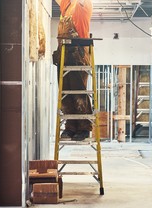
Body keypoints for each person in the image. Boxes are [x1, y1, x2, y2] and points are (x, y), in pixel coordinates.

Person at [53, 0, 93, 141]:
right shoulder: (66, 5)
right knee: (65, 93)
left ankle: (84, 127)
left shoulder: (82, 5)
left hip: (78, 53)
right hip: (63, 53)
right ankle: (70, 127)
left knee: (78, 92)